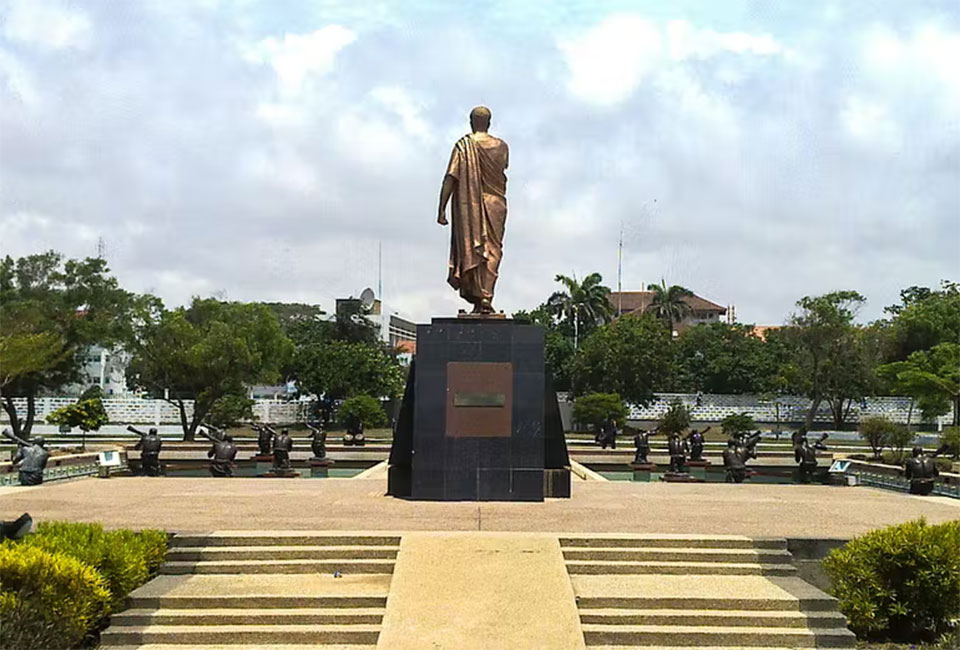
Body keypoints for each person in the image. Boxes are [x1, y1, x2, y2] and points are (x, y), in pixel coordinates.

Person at [437, 106, 510, 314]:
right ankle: (485, 298)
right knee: (493, 250)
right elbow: (503, 168)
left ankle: (483, 296)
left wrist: (441, 209)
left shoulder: (464, 146)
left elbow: (450, 178)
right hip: (497, 203)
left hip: (472, 207)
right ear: (489, 122)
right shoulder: (502, 146)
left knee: (477, 249)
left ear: (471, 122)